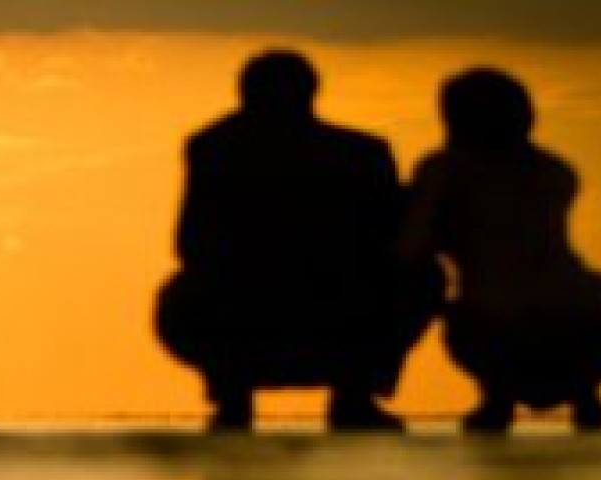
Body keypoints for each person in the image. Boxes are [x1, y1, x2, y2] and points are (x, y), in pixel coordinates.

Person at [156, 50, 441, 431]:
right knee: (424, 276)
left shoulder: (213, 146)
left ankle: (233, 395)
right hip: (343, 319)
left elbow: (191, 242)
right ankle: (354, 395)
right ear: (311, 93)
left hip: (246, 318)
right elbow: (396, 244)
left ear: (244, 93)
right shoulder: (363, 153)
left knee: (182, 291)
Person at [403, 67, 601, 432]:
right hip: (586, 315)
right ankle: (585, 392)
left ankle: (497, 395)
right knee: (591, 303)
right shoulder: (555, 169)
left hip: (495, 318)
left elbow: (412, 245)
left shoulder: (444, 169)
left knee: (442, 295)